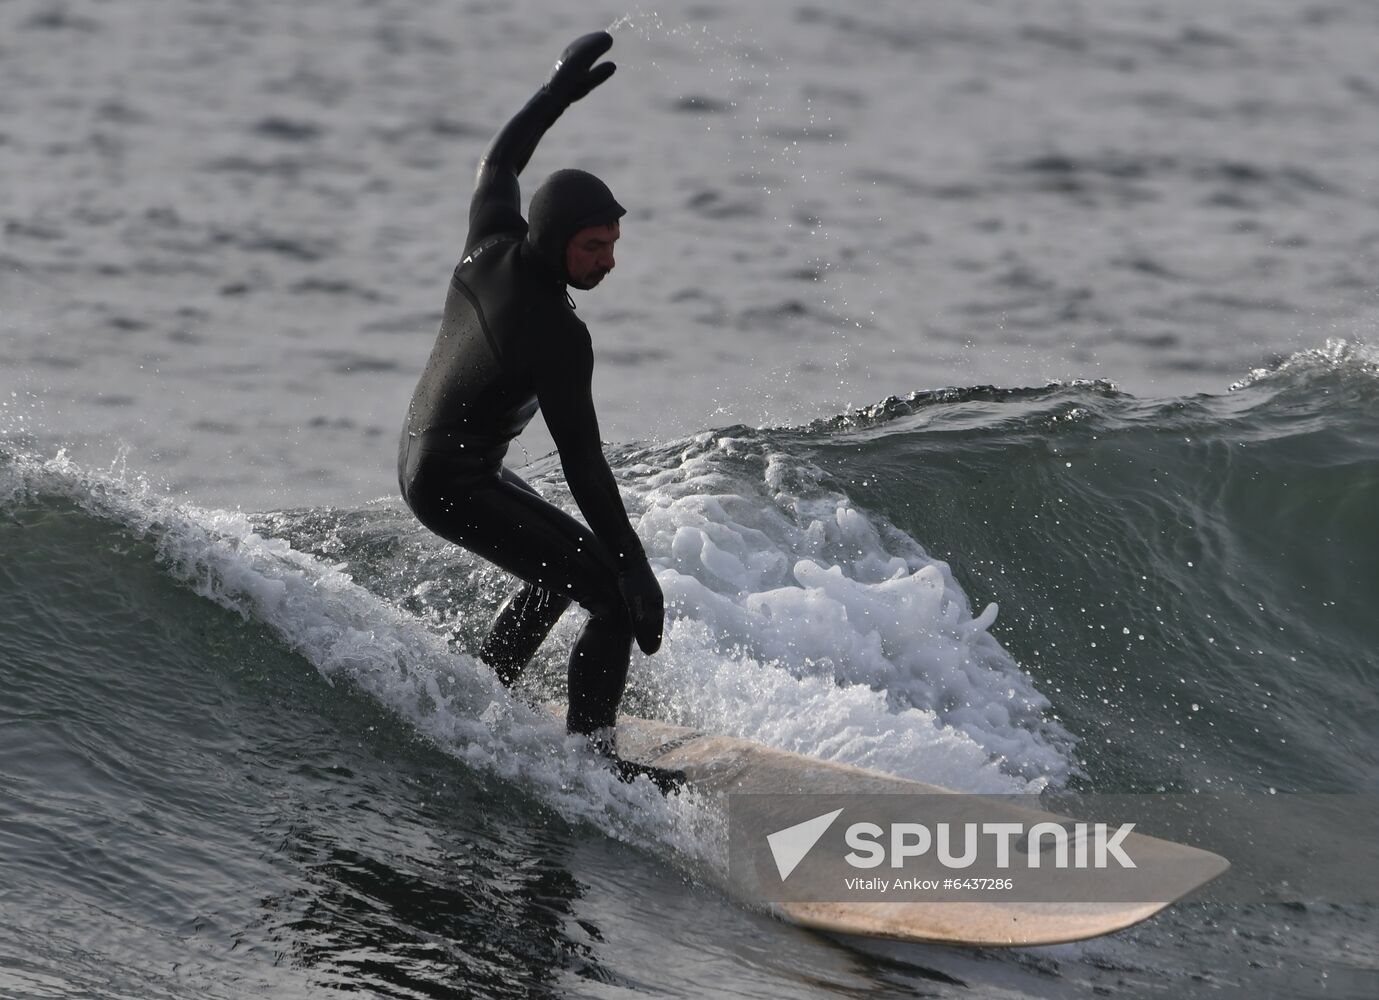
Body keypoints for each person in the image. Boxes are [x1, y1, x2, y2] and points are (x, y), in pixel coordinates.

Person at [397, 32, 680, 791]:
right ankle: (595, 767)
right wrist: (636, 569)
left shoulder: (489, 241)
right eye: (593, 247)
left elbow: (498, 163)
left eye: (614, 243)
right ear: (556, 243)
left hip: (429, 459)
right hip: (454, 480)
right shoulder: (555, 334)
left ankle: (479, 693)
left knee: (562, 570)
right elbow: (583, 467)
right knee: (609, 597)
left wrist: (554, 94)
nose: (608, 261)